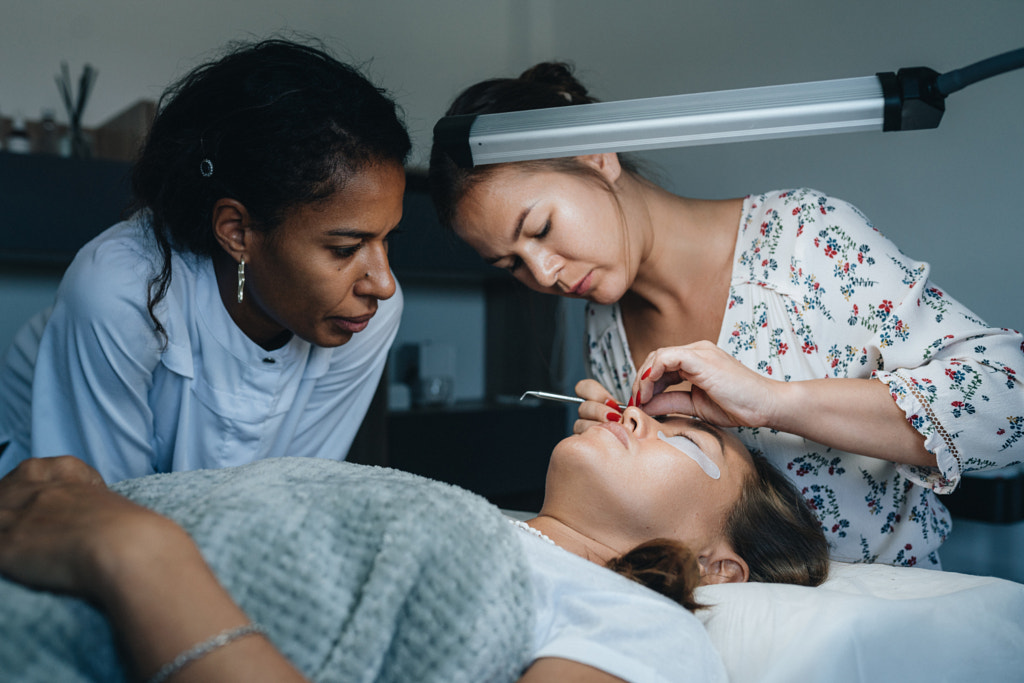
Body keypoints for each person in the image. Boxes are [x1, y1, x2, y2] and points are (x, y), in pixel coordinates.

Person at [429, 62, 1024, 568]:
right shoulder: (604, 329)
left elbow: (1011, 400)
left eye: (540, 229)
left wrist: (774, 401)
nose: (542, 274)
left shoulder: (803, 240)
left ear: (594, 154)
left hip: (877, 617)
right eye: (511, 264)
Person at [0, 405, 828, 683]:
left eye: (687, 440)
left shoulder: (647, 628)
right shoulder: (471, 520)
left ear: (721, 564)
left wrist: (133, 550)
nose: (632, 411)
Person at [0, 39, 412, 483]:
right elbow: (100, 518)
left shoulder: (368, 318)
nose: (383, 284)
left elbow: (296, 491)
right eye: (346, 249)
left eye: (388, 240)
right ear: (237, 231)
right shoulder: (118, 294)